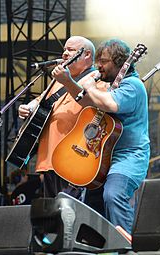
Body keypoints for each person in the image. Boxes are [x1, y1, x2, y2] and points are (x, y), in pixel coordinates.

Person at [51, 38, 150, 234]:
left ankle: (127, 246)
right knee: (86, 203)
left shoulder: (132, 86)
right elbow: (87, 102)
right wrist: (69, 82)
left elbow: (109, 105)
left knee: (113, 195)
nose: (98, 66)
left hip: (128, 157)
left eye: (103, 61)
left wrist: (89, 85)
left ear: (119, 62)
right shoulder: (110, 86)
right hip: (101, 157)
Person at [18, 36, 102, 200]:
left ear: (87, 55)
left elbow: (94, 105)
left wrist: (68, 81)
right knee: (53, 213)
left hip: (73, 155)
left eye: (70, 50)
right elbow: (41, 99)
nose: (64, 53)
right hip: (49, 157)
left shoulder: (96, 78)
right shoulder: (59, 79)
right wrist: (28, 107)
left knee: (70, 211)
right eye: (64, 49)